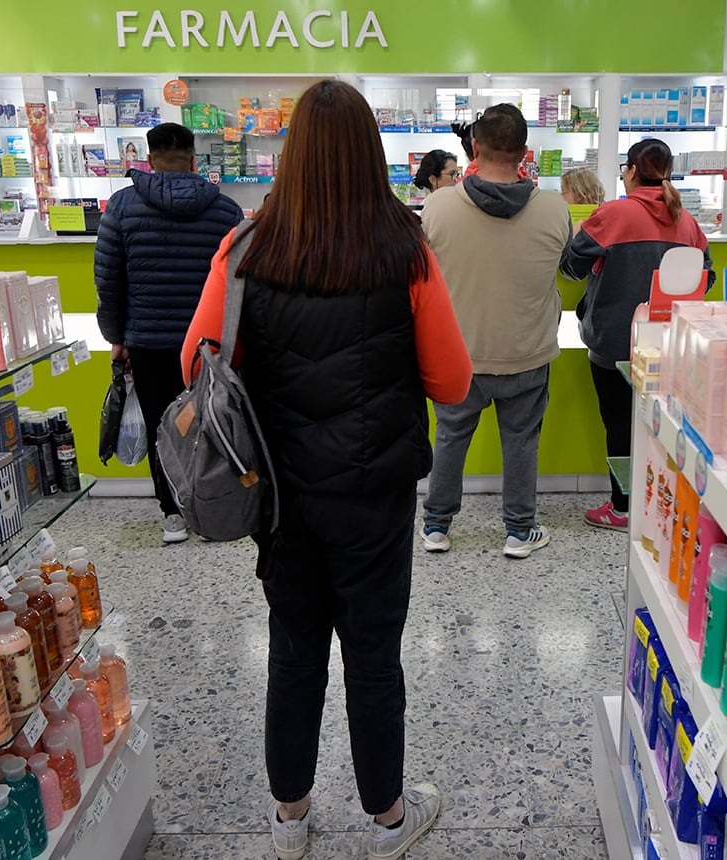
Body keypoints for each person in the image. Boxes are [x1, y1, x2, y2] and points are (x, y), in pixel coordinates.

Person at [181, 80, 472, 860]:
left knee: (294, 648)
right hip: (374, 498)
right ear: (369, 156)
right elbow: (452, 383)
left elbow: (196, 364)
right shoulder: (403, 250)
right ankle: (386, 821)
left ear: (292, 154)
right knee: (374, 656)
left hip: (280, 499)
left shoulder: (245, 248)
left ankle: (290, 822)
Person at [420, 102, 571, 558]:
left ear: (475, 146)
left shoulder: (438, 205)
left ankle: (436, 526)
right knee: (522, 441)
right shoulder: (553, 208)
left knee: (449, 437)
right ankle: (520, 532)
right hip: (527, 351)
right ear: (525, 152)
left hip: (460, 354)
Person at [94, 122, 243, 545]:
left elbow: (108, 279)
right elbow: (239, 281)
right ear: (195, 160)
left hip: (149, 340)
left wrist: (115, 336)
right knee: (212, 421)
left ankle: (173, 514)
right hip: (208, 344)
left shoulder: (121, 207)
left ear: (149, 160)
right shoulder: (225, 210)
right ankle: (213, 504)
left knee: (163, 424)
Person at [560, 139, 710, 531]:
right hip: (668, 346)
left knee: (620, 426)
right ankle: (659, 503)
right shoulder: (687, 221)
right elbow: (705, 276)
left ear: (630, 171)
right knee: (660, 427)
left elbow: (571, 268)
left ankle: (624, 507)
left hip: (614, 344)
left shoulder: (613, 214)